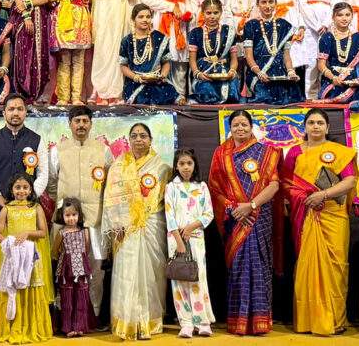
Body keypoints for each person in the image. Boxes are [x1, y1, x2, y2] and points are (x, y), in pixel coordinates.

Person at [281, 109, 356, 336]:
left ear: (327, 127)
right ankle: (308, 321)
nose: (315, 126)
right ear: (304, 127)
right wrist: (304, 198)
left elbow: (350, 181)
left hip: (334, 215)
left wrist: (323, 195)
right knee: (307, 266)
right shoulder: (295, 152)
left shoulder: (339, 152)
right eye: (311, 122)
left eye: (320, 123)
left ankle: (335, 320)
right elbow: (286, 184)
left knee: (336, 267)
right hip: (305, 215)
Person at [208, 110, 280, 335]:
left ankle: (260, 321)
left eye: (244, 124)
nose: (240, 128)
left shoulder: (267, 152)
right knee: (239, 268)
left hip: (259, 216)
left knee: (259, 265)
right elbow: (215, 188)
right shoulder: (221, 153)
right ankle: (237, 321)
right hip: (234, 218)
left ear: (251, 127)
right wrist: (233, 208)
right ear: (230, 128)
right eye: (236, 125)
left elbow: (274, 184)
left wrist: (252, 205)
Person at [102, 123, 171, 340]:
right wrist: (118, 224)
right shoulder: (118, 166)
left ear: (150, 140)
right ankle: (128, 321)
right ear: (129, 140)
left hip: (153, 225)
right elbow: (111, 200)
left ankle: (150, 321)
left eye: (143, 136)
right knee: (126, 274)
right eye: (134, 136)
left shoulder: (162, 167)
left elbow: (167, 202)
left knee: (152, 275)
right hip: (126, 228)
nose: (139, 139)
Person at [48, 106, 112, 317]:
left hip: (95, 219)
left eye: (85, 121)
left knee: (95, 268)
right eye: (77, 121)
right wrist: (63, 205)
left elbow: (110, 183)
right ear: (70, 124)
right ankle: (65, 314)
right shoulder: (58, 150)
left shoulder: (103, 150)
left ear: (91, 124)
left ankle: (92, 314)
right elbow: (51, 182)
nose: (81, 125)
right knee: (63, 267)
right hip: (66, 220)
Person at [0, 94, 49, 260]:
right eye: (11, 109)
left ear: (25, 112)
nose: (15, 113)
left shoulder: (37, 140)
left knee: (27, 263)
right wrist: (2, 202)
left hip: (28, 215)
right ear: (4, 113)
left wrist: (28, 199)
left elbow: (43, 174)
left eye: (20, 109)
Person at [0, 174, 54, 343]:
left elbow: (43, 232)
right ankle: (12, 328)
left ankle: (32, 329)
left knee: (31, 288)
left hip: (31, 258)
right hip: (13, 257)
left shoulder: (36, 208)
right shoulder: (7, 209)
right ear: (11, 190)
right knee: (13, 288)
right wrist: (9, 242)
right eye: (17, 187)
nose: (21, 191)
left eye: (25, 187)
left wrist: (27, 233)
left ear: (31, 190)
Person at [165, 149, 215, 338]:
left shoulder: (201, 186)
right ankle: (185, 323)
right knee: (179, 279)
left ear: (194, 165)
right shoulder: (171, 187)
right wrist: (179, 240)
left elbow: (208, 214)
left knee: (197, 277)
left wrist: (191, 227)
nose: (186, 167)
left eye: (189, 163)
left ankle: (202, 321)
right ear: (176, 166)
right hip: (176, 239)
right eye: (182, 164)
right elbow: (169, 215)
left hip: (196, 238)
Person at [89, 0, 138, 105]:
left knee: (118, 51)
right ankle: (101, 92)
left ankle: (116, 93)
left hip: (120, 16)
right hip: (103, 17)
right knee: (103, 51)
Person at [142, 0, 192, 102]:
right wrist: (170, 6)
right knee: (164, 57)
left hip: (181, 22)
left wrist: (189, 12)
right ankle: (164, 96)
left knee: (180, 59)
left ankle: (180, 95)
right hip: (163, 21)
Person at [315, 3, 359, 110]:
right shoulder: (327, 37)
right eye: (340, 15)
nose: (344, 18)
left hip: (354, 82)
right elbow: (321, 65)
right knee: (335, 97)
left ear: (352, 16)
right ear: (333, 17)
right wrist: (333, 78)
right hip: (333, 81)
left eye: (347, 15)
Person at [49, 0, 93, 106]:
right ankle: (62, 98)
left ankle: (76, 97)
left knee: (79, 61)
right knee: (65, 60)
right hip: (64, 19)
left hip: (82, 19)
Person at [294, 0, 342, 99]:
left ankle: (326, 93)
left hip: (327, 26)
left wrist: (326, 24)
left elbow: (336, 5)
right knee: (312, 61)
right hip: (311, 28)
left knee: (327, 58)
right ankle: (311, 95)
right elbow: (302, 6)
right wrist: (316, 25)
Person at [242, 0, 302, 105]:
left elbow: (286, 56)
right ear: (257, 5)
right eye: (263, 2)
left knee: (291, 95)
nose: (268, 6)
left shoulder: (284, 26)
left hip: (280, 72)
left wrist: (291, 72)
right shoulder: (250, 25)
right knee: (264, 96)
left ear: (276, 3)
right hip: (258, 72)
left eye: (271, 2)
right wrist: (259, 72)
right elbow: (248, 56)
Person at [11, 0, 53, 103]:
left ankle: (36, 93)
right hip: (21, 17)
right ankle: (22, 92)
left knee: (39, 54)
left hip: (40, 18)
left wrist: (28, 2)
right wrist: (26, 16)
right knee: (22, 53)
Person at [52, 198, 96, 337]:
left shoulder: (84, 231)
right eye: (67, 215)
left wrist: (79, 260)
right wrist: (66, 259)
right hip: (66, 270)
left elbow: (86, 249)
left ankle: (80, 326)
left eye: (74, 215)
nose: (71, 218)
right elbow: (54, 251)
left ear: (79, 215)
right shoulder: (61, 233)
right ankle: (68, 328)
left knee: (81, 297)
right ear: (62, 216)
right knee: (67, 299)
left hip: (81, 269)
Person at [120, 4, 177, 105]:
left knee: (168, 98)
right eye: (141, 17)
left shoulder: (159, 38)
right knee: (142, 100)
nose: (145, 20)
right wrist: (136, 77)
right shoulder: (127, 40)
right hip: (135, 83)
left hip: (157, 82)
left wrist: (162, 76)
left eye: (148, 16)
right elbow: (123, 66)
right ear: (133, 19)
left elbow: (166, 62)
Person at [188, 0, 239, 104]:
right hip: (203, 71)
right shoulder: (195, 32)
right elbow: (192, 59)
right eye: (208, 13)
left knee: (232, 92)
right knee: (206, 92)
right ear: (202, 13)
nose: (212, 16)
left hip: (224, 72)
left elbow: (234, 58)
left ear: (221, 13)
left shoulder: (228, 31)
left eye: (216, 13)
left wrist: (232, 71)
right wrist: (197, 73)